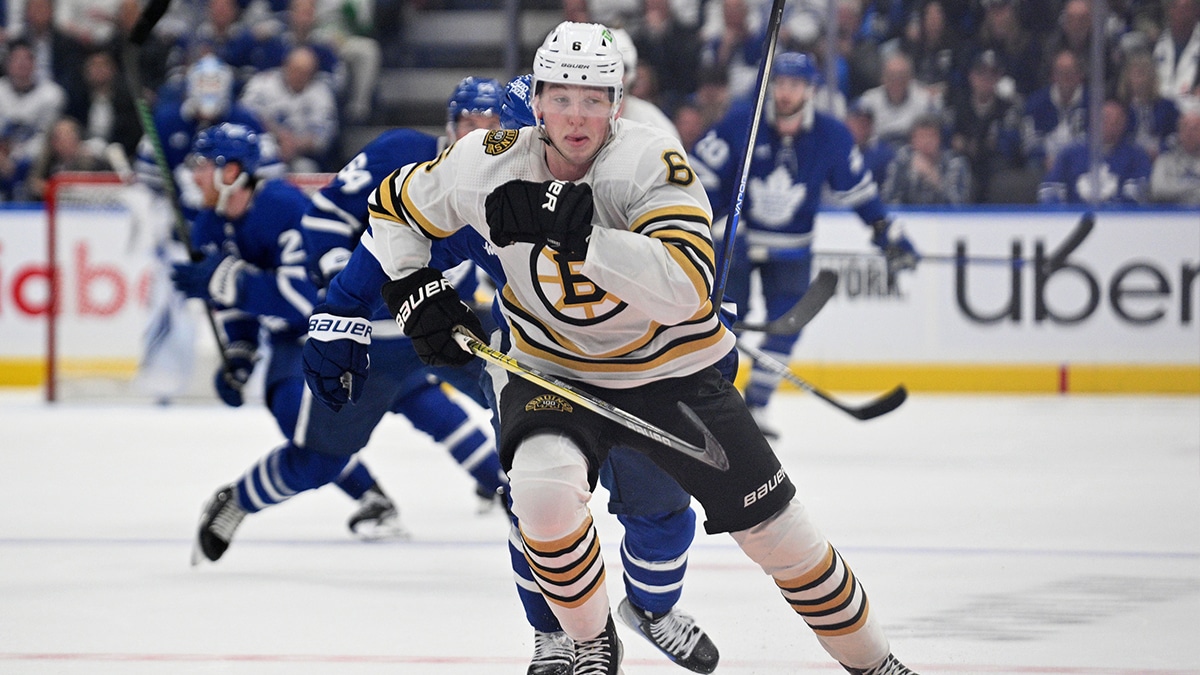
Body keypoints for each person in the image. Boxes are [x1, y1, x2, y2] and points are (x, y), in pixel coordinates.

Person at [361, 23, 918, 675]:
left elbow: (686, 287)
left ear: (617, 104)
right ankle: (592, 640)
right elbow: (393, 206)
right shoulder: (485, 157)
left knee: (781, 538)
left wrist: (580, 237)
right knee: (539, 495)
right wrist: (413, 286)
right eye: (562, 97)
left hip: (670, 371)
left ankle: (877, 664)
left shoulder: (652, 160)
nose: (577, 116)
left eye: (594, 99)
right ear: (536, 99)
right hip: (551, 367)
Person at [302, 73, 723, 675]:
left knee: (660, 501)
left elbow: (677, 256)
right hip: (536, 363)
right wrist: (342, 311)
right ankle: (556, 631)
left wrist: (693, 292)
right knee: (536, 504)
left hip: (634, 365)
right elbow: (398, 237)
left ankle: (652, 609)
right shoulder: (486, 187)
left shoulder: (625, 175)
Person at [170, 122, 505, 565]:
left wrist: (230, 284)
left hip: (444, 318)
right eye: (468, 120)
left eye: (493, 122)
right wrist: (241, 346)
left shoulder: (515, 170)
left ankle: (515, 499)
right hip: (365, 330)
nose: (478, 131)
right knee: (319, 455)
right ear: (449, 122)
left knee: (522, 406)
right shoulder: (404, 152)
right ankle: (241, 500)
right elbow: (321, 245)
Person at [691, 51, 917, 438]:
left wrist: (886, 234)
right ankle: (709, 404)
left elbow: (859, 192)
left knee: (787, 327)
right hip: (735, 249)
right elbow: (699, 176)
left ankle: (756, 406)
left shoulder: (831, 135)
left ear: (810, 89)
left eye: (795, 85)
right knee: (724, 325)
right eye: (780, 83)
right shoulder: (739, 124)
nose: (785, 92)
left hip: (793, 251)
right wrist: (721, 222)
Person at [238, 45, 339, 172]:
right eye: (296, 70)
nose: (299, 76)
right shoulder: (262, 83)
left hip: (299, 156)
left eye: (306, 72)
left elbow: (324, 136)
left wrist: (295, 144)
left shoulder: (321, 93)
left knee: (307, 169)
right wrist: (278, 134)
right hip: (259, 150)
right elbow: (243, 115)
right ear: (285, 65)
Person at [1037, 99, 1152, 204]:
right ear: (1093, 119)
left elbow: (1136, 196)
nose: (1111, 124)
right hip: (1075, 220)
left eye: (1117, 120)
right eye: (1106, 118)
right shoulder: (1069, 154)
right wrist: (1064, 216)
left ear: (1125, 122)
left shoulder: (1137, 156)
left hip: (1119, 222)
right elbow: (1050, 190)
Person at [882, 112, 972, 205]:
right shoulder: (901, 161)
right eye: (921, 137)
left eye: (931, 136)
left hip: (943, 218)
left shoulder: (955, 163)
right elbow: (889, 200)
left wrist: (935, 179)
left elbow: (959, 206)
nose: (927, 141)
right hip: (910, 218)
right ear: (912, 140)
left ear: (939, 139)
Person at [1149, 100, 1200, 204]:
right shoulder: (1164, 161)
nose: (1189, 133)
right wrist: (1194, 187)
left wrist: (1176, 188)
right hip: (1172, 218)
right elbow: (1158, 189)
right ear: (1179, 132)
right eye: (1185, 127)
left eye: (1195, 128)